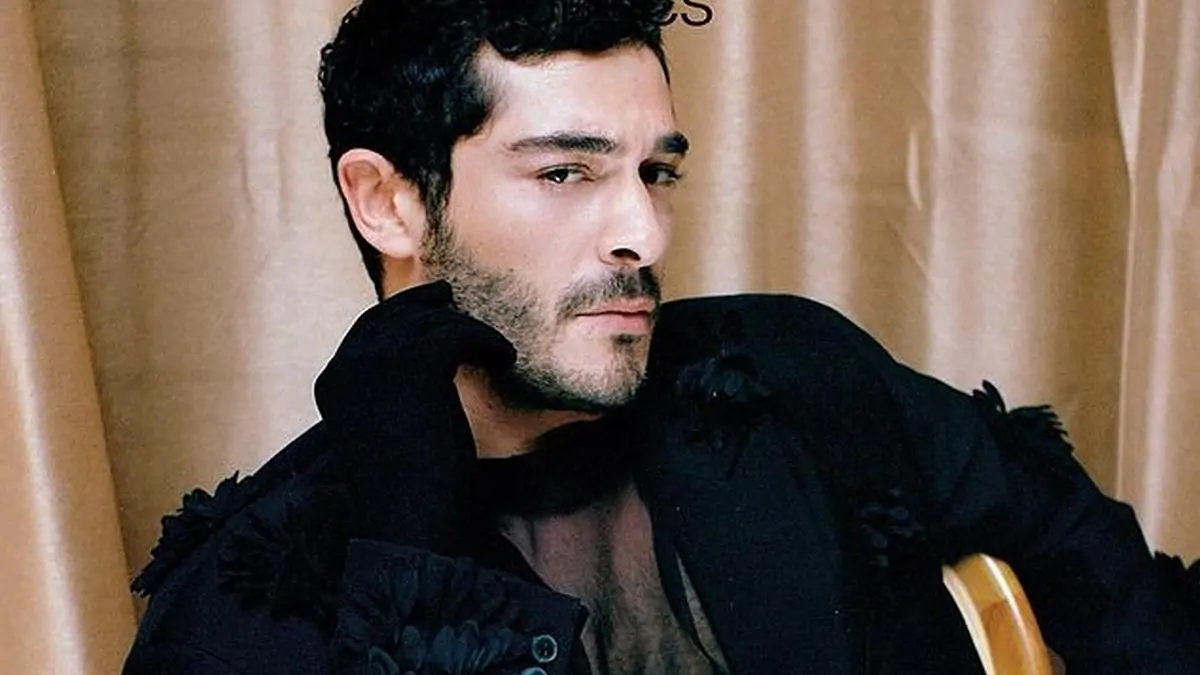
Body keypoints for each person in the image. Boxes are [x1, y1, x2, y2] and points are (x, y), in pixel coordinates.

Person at [121, 1, 1200, 673]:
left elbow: (1086, 553)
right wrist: (414, 528)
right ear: (389, 203)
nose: (642, 229)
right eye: (566, 172)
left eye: (655, 171)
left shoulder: (784, 373)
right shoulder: (248, 600)